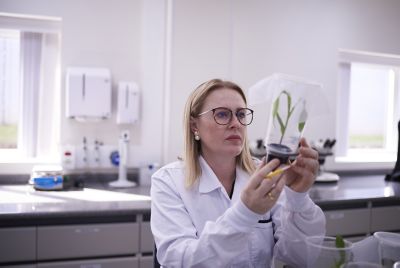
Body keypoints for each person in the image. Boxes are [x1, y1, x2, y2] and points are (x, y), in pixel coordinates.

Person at [151, 79, 326, 267]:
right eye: (222, 114)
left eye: (241, 114)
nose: (236, 123)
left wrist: (297, 198)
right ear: (195, 126)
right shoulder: (168, 181)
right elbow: (180, 260)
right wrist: (246, 213)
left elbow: (300, 257)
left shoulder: (267, 175)